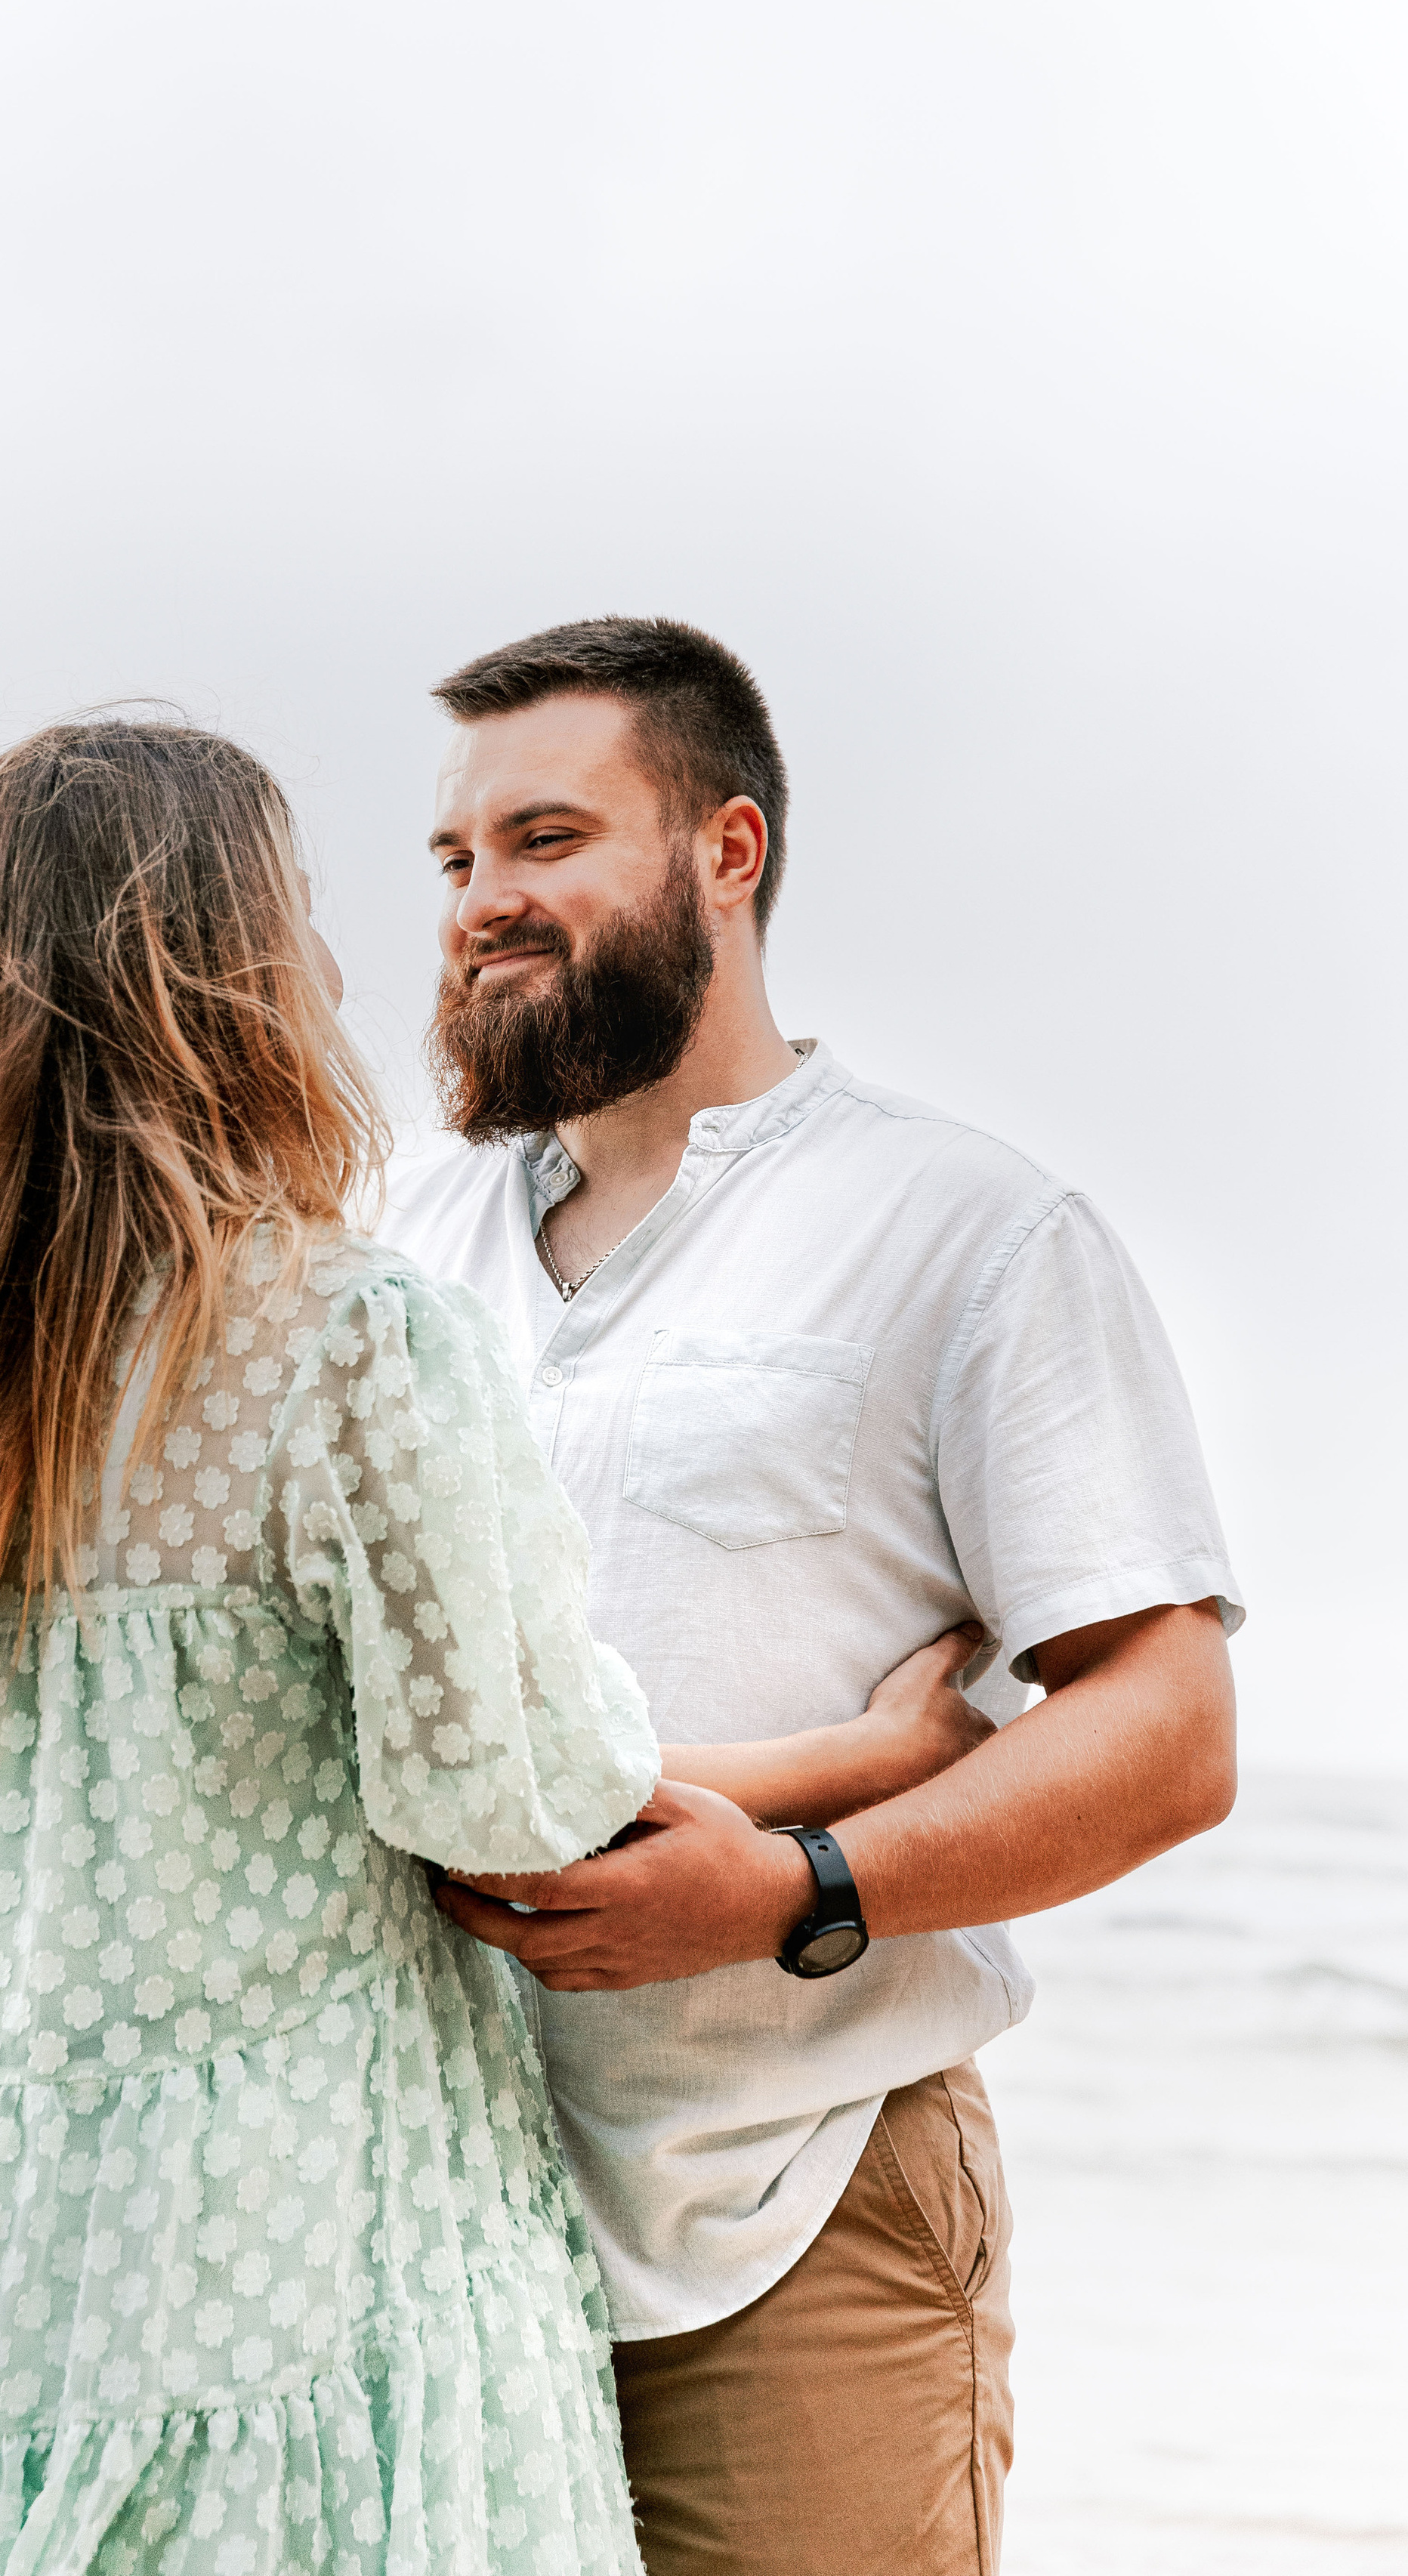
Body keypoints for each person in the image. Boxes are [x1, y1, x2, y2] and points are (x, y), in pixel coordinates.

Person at [0, 712, 990, 2576]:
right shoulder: (339, 1347)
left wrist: (26, 1899)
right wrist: (868, 1761)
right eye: (298, 916)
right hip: (284, 2268)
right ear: (224, 976)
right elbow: (514, 1822)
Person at [384, 616, 1244, 2576]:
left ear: (725, 851)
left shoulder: (962, 1229)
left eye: (543, 840)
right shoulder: (389, 1244)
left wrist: (795, 1887)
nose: (482, 906)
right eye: (454, 863)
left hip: (798, 2211)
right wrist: (830, 1761)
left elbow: (1169, 1726)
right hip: (418, 2225)